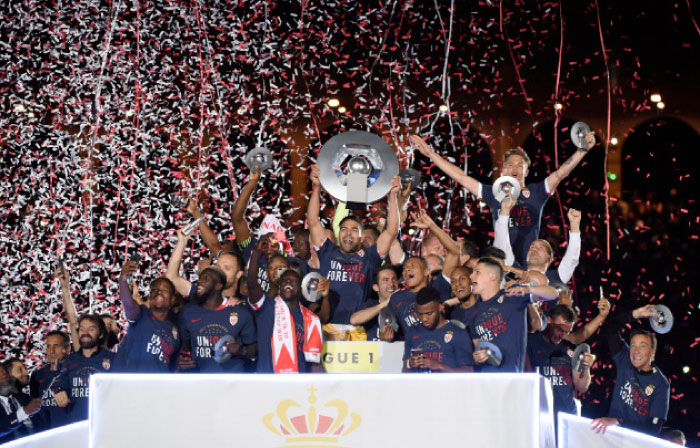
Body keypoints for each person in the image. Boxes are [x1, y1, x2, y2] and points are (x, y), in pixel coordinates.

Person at [410, 133, 595, 265]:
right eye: (510, 165)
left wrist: (582, 151)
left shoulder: (537, 192)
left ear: (526, 171)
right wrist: (431, 154)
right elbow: (461, 177)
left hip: (529, 264)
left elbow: (561, 173)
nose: (515, 168)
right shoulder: (493, 193)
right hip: (501, 264)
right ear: (503, 171)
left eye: (520, 165)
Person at [307, 165, 400, 324]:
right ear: (339, 233)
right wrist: (316, 187)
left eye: (354, 230)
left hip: (357, 330)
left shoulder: (370, 257)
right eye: (344, 229)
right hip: (326, 327)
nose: (348, 233)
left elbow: (391, 231)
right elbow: (313, 221)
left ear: (361, 236)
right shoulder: (327, 251)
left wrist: (393, 196)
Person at [467, 258, 558, 372]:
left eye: (477, 272)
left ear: (492, 276)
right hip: (485, 379)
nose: (471, 276)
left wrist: (528, 289)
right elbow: (479, 348)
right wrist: (477, 358)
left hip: (511, 379)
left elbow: (553, 294)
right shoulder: (473, 312)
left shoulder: (512, 294)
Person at [591, 304, 670, 436]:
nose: (636, 351)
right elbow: (610, 328)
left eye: (643, 346)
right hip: (610, 438)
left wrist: (619, 421)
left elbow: (653, 429)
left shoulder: (661, 384)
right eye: (633, 345)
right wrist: (635, 314)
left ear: (652, 352)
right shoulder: (625, 359)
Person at [247, 251, 324, 373]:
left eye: (293, 280)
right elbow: (252, 284)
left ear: (301, 287)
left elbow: (314, 364)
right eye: (284, 280)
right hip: (267, 382)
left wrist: (325, 388)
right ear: (279, 286)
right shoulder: (267, 308)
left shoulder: (311, 319)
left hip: (297, 383)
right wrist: (256, 253)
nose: (288, 282)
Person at [177, 265, 256, 373]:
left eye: (206, 279)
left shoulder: (240, 312)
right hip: (200, 382)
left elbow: (254, 349)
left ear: (218, 286)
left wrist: (242, 350)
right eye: (200, 278)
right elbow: (185, 348)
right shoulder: (188, 312)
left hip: (232, 383)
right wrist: (182, 359)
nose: (199, 281)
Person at [526, 305, 593, 420]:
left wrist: (586, 368)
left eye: (567, 332)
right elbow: (527, 381)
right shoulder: (530, 342)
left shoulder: (571, 349)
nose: (562, 336)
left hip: (566, 417)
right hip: (540, 415)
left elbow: (582, 387)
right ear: (549, 321)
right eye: (560, 330)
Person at [115, 262, 181, 372]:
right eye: (154, 290)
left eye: (164, 290)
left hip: (158, 387)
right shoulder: (141, 314)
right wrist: (122, 280)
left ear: (172, 299)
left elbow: (173, 364)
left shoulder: (174, 331)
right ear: (149, 297)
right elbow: (129, 305)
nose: (158, 292)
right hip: (133, 385)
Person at [54, 314, 115, 423]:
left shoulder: (113, 360)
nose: (85, 332)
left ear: (101, 334)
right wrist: (60, 394)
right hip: (76, 427)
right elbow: (59, 387)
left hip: (105, 424)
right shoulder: (68, 361)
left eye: (91, 329)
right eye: (82, 328)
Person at [403, 287, 474, 373]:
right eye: (420, 314)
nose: (424, 319)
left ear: (440, 307)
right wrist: (409, 364)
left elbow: (469, 371)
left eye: (429, 313)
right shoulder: (413, 331)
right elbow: (404, 370)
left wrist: (439, 366)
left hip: (447, 386)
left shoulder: (458, 333)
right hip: (419, 386)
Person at [167, 226, 245, 304]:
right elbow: (171, 277)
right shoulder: (203, 293)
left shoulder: (245, 304)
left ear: (239, 274)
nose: (220, 271)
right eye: (218, 266)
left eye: (227, 268)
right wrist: (182, 241)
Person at [29, 331, 72, 430]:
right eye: (48, 346)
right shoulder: (36, 376)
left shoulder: (75, 372)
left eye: (56, 346)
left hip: (71, 432)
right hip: (47, 435)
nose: (52, 351)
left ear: (68, 349)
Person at [350, 265, 400, 341]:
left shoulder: (404, 305)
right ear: (376, 287)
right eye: (385, 280)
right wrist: (385, 304)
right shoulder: (370, 304)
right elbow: (354, 320)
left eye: (394, 279)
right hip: (373, 351)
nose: (391, 284)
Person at [0, 362, 40, 443]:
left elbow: (40, 422)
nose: (4, 374)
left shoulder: (24, 398)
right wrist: (24, 412)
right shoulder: (26, 408)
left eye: (4, 371)